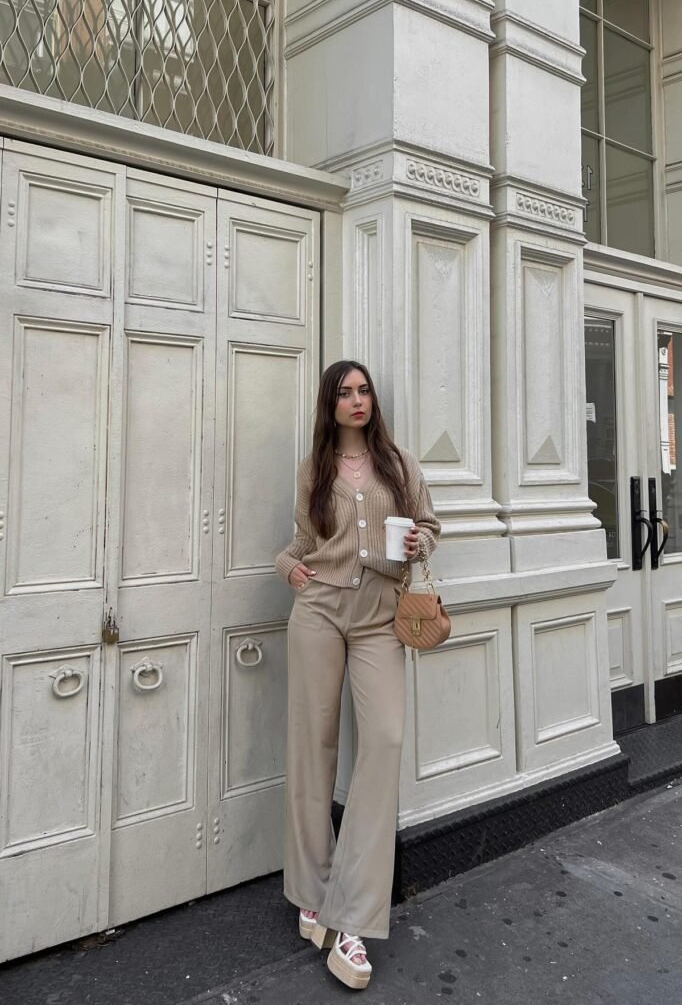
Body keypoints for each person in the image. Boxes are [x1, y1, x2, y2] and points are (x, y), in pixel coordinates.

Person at [275, 360, 441, 990]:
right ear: (330, 403)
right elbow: (296, 546)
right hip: (318, 612)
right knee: (312, 746)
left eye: (364, 390)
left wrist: (423, 542)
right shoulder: (314, 469)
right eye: (344, 392)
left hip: (379, 617)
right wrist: (286, 568)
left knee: (386, 739)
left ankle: (353, 917)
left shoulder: (398, 464)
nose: (357, 400)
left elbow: (428, 525)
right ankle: (311, 891)